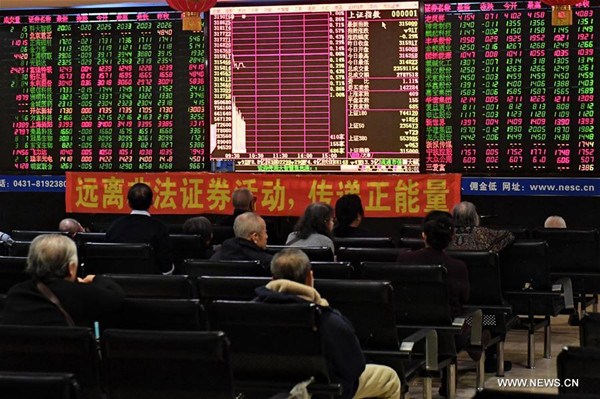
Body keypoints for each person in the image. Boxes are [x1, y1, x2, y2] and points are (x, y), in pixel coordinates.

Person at [255, 248, 401, 399]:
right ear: (310, 278)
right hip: (322, 392)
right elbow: (355, 368)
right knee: (389, 378)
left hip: (265, 391)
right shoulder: (326, 319)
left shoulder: (249, 313)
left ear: (272, 279)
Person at [1, 234, 124, 326]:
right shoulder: (83, 295)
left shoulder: (16, 293)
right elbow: (116, 296)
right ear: (71, 267)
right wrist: (95, 278)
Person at [106, 183, 174, 274]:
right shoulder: (160, 228)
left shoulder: (114, 226)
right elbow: (166, 268)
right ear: (152, 202)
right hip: (152, 285)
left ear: (128, 202)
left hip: (117, 283)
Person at [448, 201, 514, 253]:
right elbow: (509, 236)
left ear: (453, 217)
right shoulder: (482, 232)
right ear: (474, 217)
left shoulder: (447, 234)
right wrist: (490, 251)